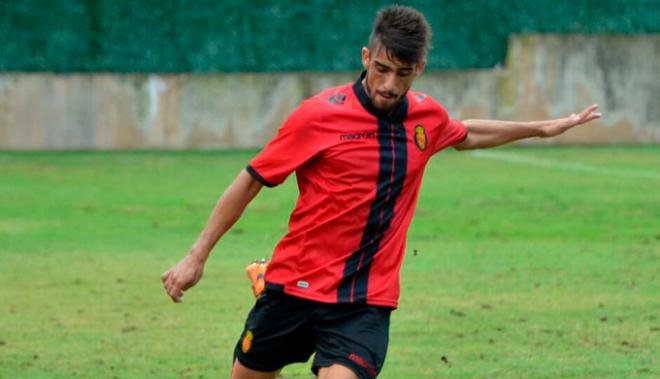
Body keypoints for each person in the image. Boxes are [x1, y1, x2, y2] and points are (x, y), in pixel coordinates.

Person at [161, 5, 601, 379]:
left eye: (403, 74)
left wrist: (541, 128)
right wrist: (197, 255)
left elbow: (466, 133)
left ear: (419, 69)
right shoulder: (317, 117)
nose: (390, 84)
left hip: (363, 301)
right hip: (294, 288)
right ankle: (267, 282)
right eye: (382, 69)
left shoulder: (426, 118)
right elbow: (251, 178)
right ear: (366, 56)